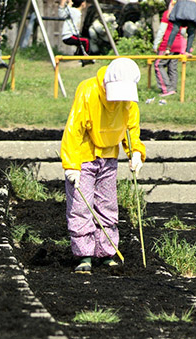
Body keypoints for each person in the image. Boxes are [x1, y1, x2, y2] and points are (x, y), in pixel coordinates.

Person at [59, 58, 146, 273]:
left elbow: (131, 128)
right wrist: (71, 165)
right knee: (81, 205)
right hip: (85, 156)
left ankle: (107, 253)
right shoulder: (88, 91)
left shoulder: (128, 100)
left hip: (109, 157)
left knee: (107, 205)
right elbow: (74, 128)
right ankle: (84, 255)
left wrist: (135, 151)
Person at [148, 8, 186, 103]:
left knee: (158, 64)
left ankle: (166, 88)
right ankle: (173, 88)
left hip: (167, 44)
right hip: (178, 44)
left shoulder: (167, 13)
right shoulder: (182, 13)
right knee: (172, 67)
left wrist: (156, 44)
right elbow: (183, 32)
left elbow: (162, 30)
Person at [58, 0, 93, 66]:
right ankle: (85, 58)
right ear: (82, 3)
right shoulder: (73, 11)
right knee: (86, 41)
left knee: (82, 42)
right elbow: (61, 14)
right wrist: (67, 4)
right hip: (69, 36)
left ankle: (78, 57)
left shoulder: (77, 12)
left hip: (74, 35)